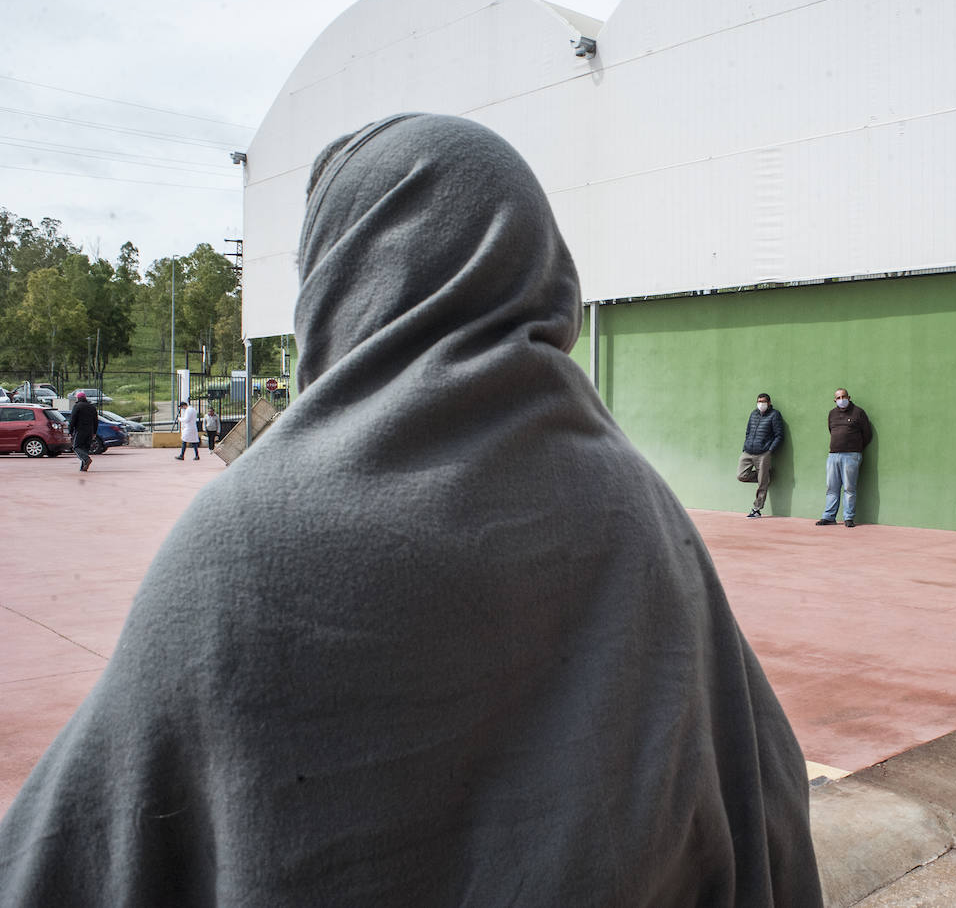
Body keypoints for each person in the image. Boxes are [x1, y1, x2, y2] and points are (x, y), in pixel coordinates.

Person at [0, 114, 823, 907]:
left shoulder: (244, 547)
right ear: (535, 265)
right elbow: (768, 796)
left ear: (345, 278)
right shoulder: (644, 514)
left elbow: (73, 851)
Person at [816, 387, 873, 528]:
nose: (841, 400)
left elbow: (867, 434)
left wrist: (855, 448)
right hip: (833, 455)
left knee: (849, 488)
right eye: (838, 398)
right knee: (832, 488)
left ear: (849, 397)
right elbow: (831, 430)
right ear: (835, 400)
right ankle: (829, 517)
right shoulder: (832, 414)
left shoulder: (858, 412)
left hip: (851, 455)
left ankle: (848, 518)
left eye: (844, 397)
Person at [738, 392, 784, 517]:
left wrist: (770, 451)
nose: (761, 404)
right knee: (741, 476)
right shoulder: (753, 414)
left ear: (768, 403)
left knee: (762, 483)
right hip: (748, 451)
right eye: (759, 401)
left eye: (763, 401)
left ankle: (756, 509)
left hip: (763, 453)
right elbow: (748, 432)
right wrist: (745, 446)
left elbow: (779, 435)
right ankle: (765, 476)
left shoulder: (774, 415)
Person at [69, 391, 99, 473]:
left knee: (76, 447)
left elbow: (72, 419)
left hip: (80, 430)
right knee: (85, 448)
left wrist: (70, 430)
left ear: (78, 398)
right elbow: (96, 421)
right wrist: (94, 432)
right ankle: (83, 467)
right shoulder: (92, 407)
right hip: (90, 431)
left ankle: (86, 459)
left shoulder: (77, 406)